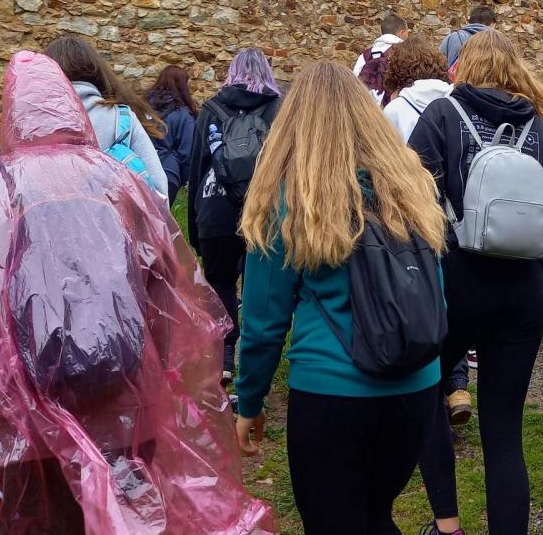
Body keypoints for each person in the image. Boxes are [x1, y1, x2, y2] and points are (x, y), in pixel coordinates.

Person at [0, 51, 273, 535]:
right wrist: (159, 405)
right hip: (124, 415)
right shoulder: (120, 184)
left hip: (15, 432)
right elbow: (174, 312)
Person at [234, 61, 446, 535]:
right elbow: (434, 287)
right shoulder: (409, 186)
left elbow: (264, 324)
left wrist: (249, 401)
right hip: (415, 388)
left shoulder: (289, 197)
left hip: (332, 392)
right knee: (376, 513)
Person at [410, 30, 543, 535]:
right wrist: (533, 272)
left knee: (427, 397)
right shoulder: (541, 131)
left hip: (454, 284)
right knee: (505, 434)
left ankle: (448, 525)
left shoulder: (441, 116)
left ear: (464, 67)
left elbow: (411, 203)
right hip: (521, 293)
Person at [380, 40, 471, 425]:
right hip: (456, 217)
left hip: (410, 217)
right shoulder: (458, 102)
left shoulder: (395, 110)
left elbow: (383, 167)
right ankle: (458, 384)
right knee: (450, 298)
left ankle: (421, 386)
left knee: (418, 299)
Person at [188, 48, 283, 382]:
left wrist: (195, 228)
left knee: (221, 282)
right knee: (260, 283)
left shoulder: (211, 109)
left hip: (216, 209)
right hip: (265, 208)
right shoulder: (278, 108)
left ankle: (226, 357)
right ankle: (257, 366)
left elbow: (197, 168)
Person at [45, 37, 168, 200]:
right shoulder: (122, 119)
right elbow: (159, 190)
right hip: (112, 216)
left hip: (46, 215)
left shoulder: (29, 124)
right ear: (96, 72)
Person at [145, 65, 198, 204]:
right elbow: (187, 153)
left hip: (138, 170)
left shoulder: (142, 107)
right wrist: (184, 179)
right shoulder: (184, 115)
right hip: (167, 174)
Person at [354, 14, 408, 104]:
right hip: (393, 109)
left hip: (368, 107)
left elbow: (354, 84)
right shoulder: (406, 54)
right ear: (401, 33)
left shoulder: (365, 56)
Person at [439, 5, 495, 71]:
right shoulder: (496, 41)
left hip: (454, 76)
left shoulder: (452, 37)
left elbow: (439, 62)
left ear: (469, 22)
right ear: (493, 24)